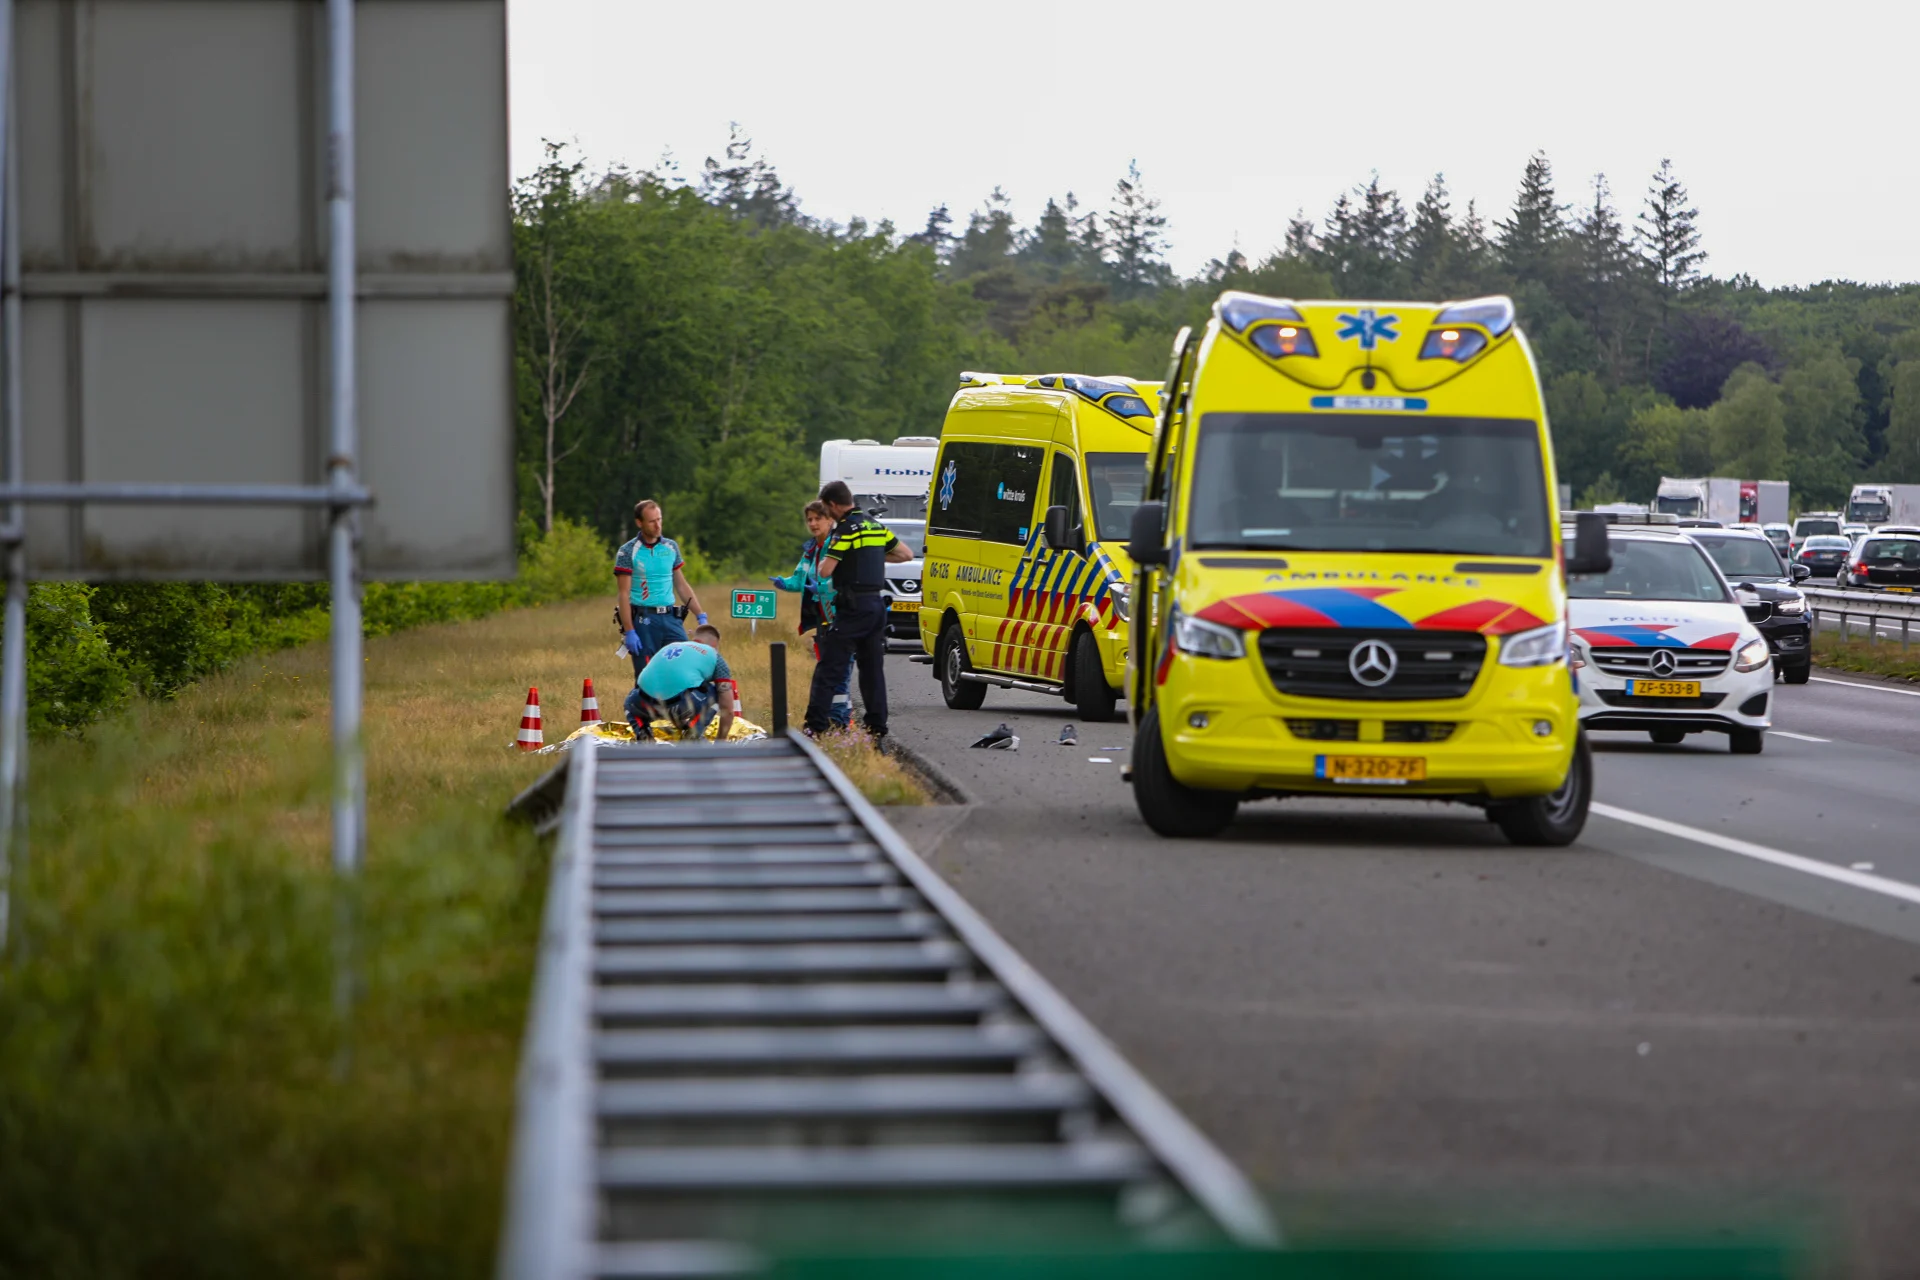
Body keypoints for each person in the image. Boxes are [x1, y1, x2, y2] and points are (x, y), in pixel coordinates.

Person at [805, 480, 910, 739]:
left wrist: (845, 558)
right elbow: (905, 554)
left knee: (829, 667)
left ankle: (815, 726)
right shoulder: (876, 526)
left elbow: (825, 570)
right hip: (877, 607)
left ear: (832, 505)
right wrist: (869, 556)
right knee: (872, 671)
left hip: (853, 608)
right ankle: (877, 729)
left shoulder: (846, 530)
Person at [770, 500, 850, 729]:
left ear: (830, 520)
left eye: (818, 519)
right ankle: (834, 720)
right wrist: (783, 583)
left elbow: (843, 580)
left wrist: (823, 589)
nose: (813, 524)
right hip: (822, 619)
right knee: (827, 669)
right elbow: (799, 580)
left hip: (841, 616)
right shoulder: (810, 550)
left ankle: (840, 721)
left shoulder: (838, 545)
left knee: (840, 672)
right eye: (810, 520)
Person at [614, 499, 708, 682]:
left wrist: (700, 615)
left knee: (683, 667)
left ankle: (680, 709)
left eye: (659, 519)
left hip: (671, 617)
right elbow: (623, 594)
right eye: (652, 521)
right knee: (647, 676)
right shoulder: (628, 551)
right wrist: (629, 630)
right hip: (644, 620)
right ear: (639, 523)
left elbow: (681, 584)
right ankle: (644, 710)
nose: (658, 525)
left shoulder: (670, 547)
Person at [626, 624, 735, 742]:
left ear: (695, 640)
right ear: (714, 646)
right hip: (681, 703)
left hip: (644, 702)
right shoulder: (714, 655)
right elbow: (727, 709)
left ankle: (643, 732)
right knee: (715, 693)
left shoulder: (671, 646)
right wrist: (720, 743)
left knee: (629, 703)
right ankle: (693, 734)